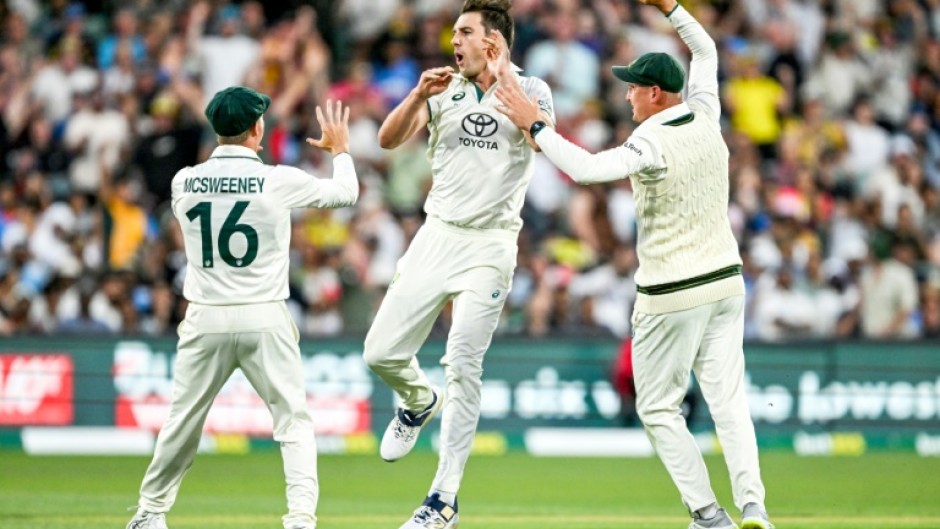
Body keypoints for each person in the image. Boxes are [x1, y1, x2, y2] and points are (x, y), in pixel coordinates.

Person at [494, 1, 773, 528]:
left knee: (658, 407)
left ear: (654, 94)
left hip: (672, 293)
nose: (625, 95)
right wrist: (672, 7)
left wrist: (538, 128)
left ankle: (709, 514)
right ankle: (754, 505)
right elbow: (706, 49)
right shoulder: (707, 114)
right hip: (727, 284)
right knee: (729, 403)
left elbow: (588, 169)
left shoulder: (650, 140)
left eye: (632, 87)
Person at [126, 87, 358, 529]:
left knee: (182, 421)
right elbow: (346, 192)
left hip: (205, 313)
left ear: (217, 130)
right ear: (257, 128)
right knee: (293, 422)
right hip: (264, 313)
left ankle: (150, 513)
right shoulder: (277, 179)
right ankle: (300, 519)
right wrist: (341, 150)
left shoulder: (184, 181)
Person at [361, 1, 554, 528]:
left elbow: (543, 140)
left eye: (465, 33)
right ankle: (418, 399)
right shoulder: (442, 88)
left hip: (491, 246)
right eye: (454, 34)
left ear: (494, 41)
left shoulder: (532, 90)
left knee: (464, 364)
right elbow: (386, 139)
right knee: (378, 352)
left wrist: (503, 77)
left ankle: (442, 499)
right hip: (437, 236)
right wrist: (416, 94)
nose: (455, 42)